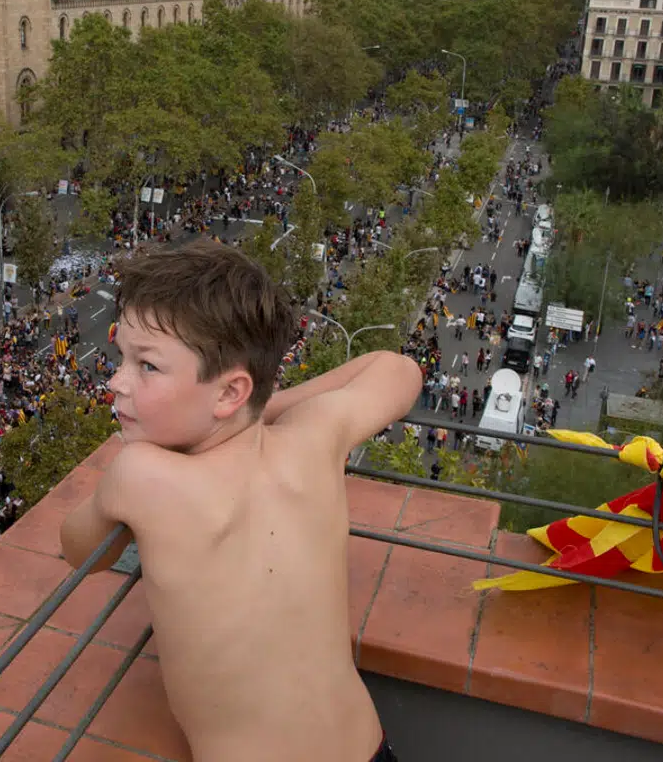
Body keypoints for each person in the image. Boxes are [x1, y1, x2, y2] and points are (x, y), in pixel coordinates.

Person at [60, 243, 418, 762]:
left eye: (147, 367)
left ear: (228, 393)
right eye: (122, 360)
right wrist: (258, 411)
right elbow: (397, 368)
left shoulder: (141, 475)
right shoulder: (314, 438)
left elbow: (78, 550)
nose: (116, 382)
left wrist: (244, 408)